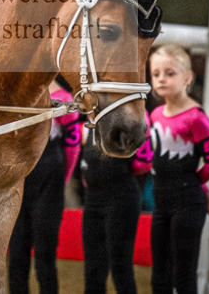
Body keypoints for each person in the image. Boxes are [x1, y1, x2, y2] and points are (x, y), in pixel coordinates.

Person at [147, 44, 209, 294]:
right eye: (156, 74)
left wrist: (196, 186)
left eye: (170, 73)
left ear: (188, 78)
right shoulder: (155, 114)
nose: (161, 79)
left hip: (187, 202)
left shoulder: (196, 118)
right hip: (161, 202)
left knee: (184, 273)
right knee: (159, 274)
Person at [6, 81, 82, 293]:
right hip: (18, 182)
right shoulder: (18, 91)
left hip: (49, 181)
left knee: (44, 256)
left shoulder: (63, 98)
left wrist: (62, 181)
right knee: (16, 253)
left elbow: (73, 145)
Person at [80, 111, 153, 294]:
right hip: (92, 199)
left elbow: (144, 162)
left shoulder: (127, 119)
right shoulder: (86, 126)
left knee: (120, 266)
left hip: (121, 197)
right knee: (92, 269)